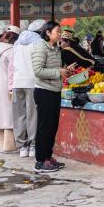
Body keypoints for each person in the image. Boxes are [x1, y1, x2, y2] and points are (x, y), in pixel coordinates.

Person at [32, 21, 73, 173]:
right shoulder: (40, 47)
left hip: (55, 90)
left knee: (52, 126)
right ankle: (40, 161)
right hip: (44, 91)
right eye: (57, 31)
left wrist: (65, 71)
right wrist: (58, 72)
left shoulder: (55, 48)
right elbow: (38, 71)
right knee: (44, 127)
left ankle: (48, 157)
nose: (60, 34)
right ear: (48, 33)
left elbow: (54, 68)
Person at [13, 20, 44, 157]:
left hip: (17, 82)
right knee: (32, 115)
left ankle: (22, 146)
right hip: (32, 82)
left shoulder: (17, 43)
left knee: (19, 115)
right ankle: (32, 145)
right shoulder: (39, 42)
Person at [0, 29, 19, 152]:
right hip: (8, 86)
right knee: (9, 116)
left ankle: (0, 145)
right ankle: (9, 146)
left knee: (0, 116)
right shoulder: (11, 51)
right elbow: (13, 71)